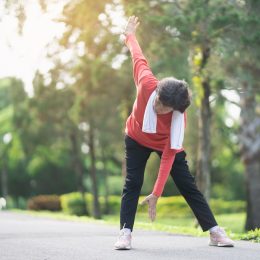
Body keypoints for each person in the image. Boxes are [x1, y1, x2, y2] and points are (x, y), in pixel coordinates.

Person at [114, 16, 234, 250]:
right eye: (158, 103)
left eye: (164, 109)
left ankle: (214, 231)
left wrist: (156, 193)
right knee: (132, 182)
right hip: (136, 137)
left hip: (163, 144)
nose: (159, 109)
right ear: (157, 92)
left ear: (175, 109)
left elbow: (169, 155)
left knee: (187, 183)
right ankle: (125, 233)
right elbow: (138, 56)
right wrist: (130, 36)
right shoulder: (147, 83)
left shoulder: (179, 117)